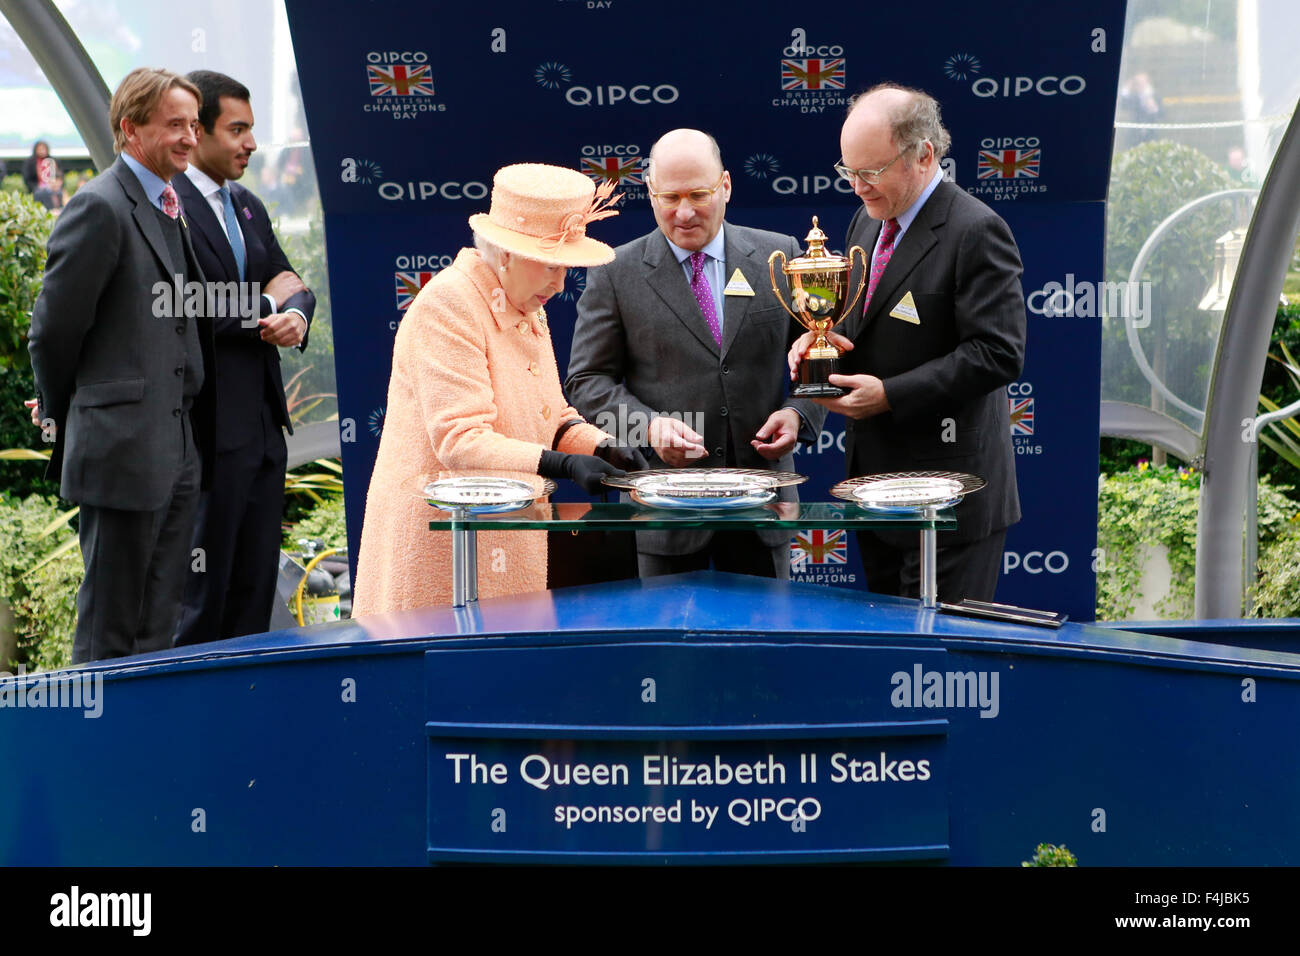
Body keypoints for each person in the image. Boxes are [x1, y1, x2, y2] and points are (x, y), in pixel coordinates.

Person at [351, 163, 636, 615]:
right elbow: (459, 440)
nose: (561, 284)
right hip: (443, 549)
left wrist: (602, 447)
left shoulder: (525, 302)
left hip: (506, 536)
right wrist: (561, 464)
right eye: (550, 265)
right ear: (505, 254)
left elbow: (551, 416)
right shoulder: (449, 304)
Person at [789, 84, 1026, 603]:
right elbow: (856, 327)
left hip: (949, 499)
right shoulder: (866, 221)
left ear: (924, 154)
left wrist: (889, 393)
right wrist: (816, 344)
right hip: (874, 493)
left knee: (937, 664)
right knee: (889, 655)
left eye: (871, 172)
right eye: (848, 171)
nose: (857, 186)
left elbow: (998, 352)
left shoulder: (977, 230)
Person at [566, 128, 826, 580]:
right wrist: (647, 428)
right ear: (649, 193)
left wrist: (801, 415)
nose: (683, 213)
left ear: (726, 185)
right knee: (668, 653)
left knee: (763, 649)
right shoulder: (615, 272)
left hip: (762, 507)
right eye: (669, 197)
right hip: (663, 513)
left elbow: (819, 357)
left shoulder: (780, 255)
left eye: (698, 194)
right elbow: (586, 383)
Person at [28, 68, 215, 663]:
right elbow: (53, 331)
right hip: (121, 450)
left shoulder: (168, 200)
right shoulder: (100, 206)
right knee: (110, 630)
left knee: (156, 626)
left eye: (193, 124)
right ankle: (93, 754)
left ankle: (146, 751)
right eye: (175, 125)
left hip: (175, 450)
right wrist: (62, 410)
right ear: (131, 128)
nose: (190, 137)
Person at [171, 70, 315, 647]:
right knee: (201, 603)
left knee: (254, 596)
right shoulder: (165, 202)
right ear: (196, 131)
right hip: (204, 432)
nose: (250, 144)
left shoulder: (248, 205)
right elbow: (181, 300)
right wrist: (265, 302)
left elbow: (291, 278)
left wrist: (297, 314)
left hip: (262, 428)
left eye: (252, 130)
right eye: (237, 130)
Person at [22, 141, 63, 211]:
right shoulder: (30, 162)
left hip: (52, 190)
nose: (42, 151)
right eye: (40, 149)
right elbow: (27, 178)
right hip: (37, 189)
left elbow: (59, 175)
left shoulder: (53, 160)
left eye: (43, 149)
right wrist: (36, 187)